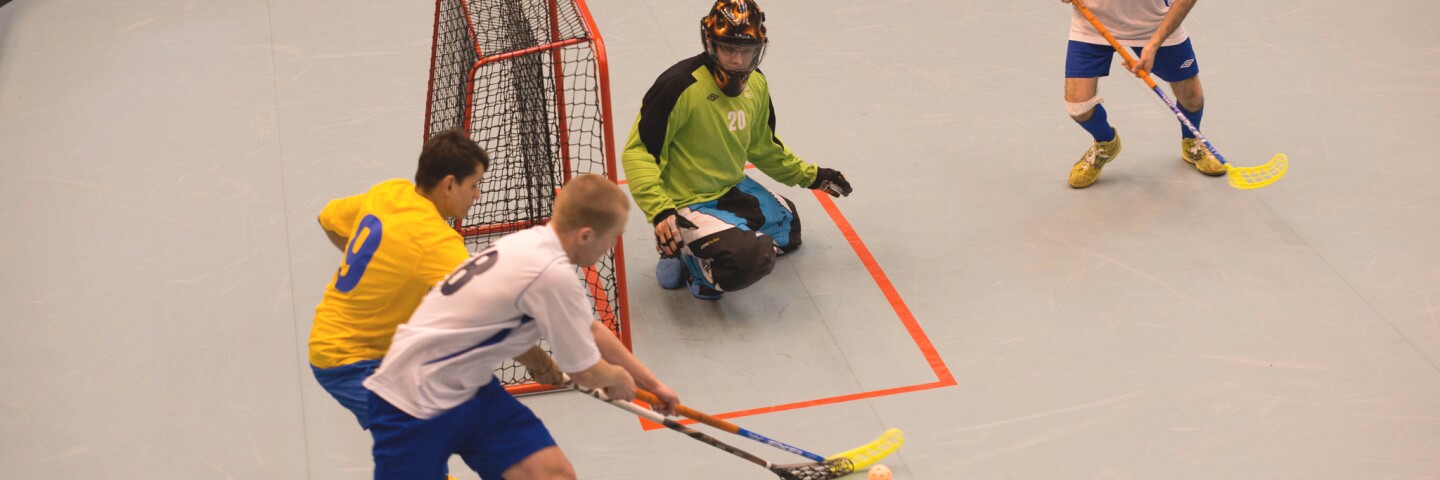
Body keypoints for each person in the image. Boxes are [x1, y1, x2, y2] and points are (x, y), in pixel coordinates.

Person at [362, 174, 681, 480]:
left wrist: (653, 386)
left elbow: (592, 331)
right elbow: (586, 372)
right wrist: (618, 377)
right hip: (412, 400)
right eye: (611, 236)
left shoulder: (533, 243)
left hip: (467, 389)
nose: (611, 246)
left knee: (553, 475)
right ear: (585, 235)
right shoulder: (551, 273)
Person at [621, 0, 854, 301]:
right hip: (686, 200)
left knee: (789, 228)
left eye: (746, 51)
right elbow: (639, 153)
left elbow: (763, 146)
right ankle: (692, 264)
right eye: (728, 49)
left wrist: (813, 176)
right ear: (711, 45)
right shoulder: (677, 86)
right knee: (751, 259)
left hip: (730, 188)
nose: (736, 60)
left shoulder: (757, 84)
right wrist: (661, 211)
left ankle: (698, 244)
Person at [308, 128, 487, 479]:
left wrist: (381, 268)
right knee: (418, 435)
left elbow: (328, 218)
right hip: (345, 361)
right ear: (449, 184)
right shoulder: (436, 242)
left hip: (376, 347)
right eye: (474, 185)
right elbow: (487, 311)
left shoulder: (390, 192)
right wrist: (541, 362)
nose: (477, 195)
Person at [1062, 0, 1225, 188]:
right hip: (1092, 23)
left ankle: (1192, 142)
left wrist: (1155, 43)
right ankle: (1106, 143)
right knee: (1078, 107)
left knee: (1192, 98)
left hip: (1154, 24)